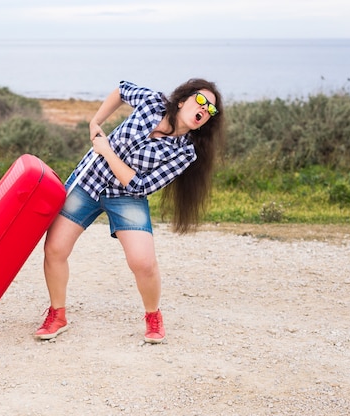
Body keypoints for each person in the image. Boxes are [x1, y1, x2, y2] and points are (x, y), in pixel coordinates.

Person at [34, 79, 226, 343]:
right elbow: (122, 89)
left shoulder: (186, 152)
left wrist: (107, 151)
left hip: (128, 196)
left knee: (143, 263)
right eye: (201, 101)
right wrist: (95, 122)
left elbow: (141, 185)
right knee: (54, 249)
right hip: (90, 179)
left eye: (211, 110)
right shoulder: (152, 103)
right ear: (182, 100)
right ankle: (57, 315)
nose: (204, 110)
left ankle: (153, 316)